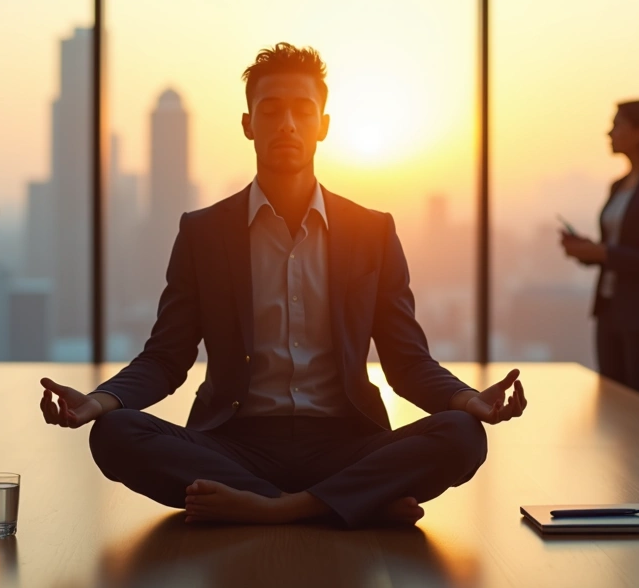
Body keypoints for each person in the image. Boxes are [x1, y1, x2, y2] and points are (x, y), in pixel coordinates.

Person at [40, 43, 527, 528]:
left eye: (303, 111)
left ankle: (276, 508)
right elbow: (166, 357)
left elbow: (406, 361)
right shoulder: (203, 232)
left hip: (347, 443)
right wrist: (96, 402)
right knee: (113, 434)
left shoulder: (371, 232)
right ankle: (347, 504)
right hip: (233, 443)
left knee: (464, 435)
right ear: (249, 124)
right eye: (270, 111)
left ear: (324, 125)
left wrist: (470, 401)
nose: (288, 125)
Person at [560, 100, 639, 400]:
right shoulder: (618, 186)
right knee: (612, 406)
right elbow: (615, 249)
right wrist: (586, 251)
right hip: (609, 309)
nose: (609, 133)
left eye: (617, 125)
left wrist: (605, 254)